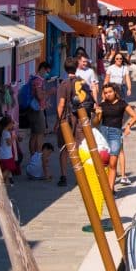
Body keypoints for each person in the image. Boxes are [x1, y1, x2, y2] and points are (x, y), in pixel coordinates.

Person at [55, 56, 101, 187]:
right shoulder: (82, 82)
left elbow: (61, 104)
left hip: (67, 120)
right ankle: (81, 175)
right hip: (81, 119)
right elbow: (91, 99)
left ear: (65, 68)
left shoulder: (64, 84)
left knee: (64, 148)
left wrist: (59, 121)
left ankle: (63, 176)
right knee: (80, 146)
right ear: (76, 68)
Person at [97, 83, 136, 189]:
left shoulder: (122, 103)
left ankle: (110, 190)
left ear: (115, 92)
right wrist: (97, 114)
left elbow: (135, 116)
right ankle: (104, 187)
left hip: (115, 133)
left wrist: (128, 126)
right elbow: (96, 122)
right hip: (103, 133)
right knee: (103, 161)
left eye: (110, 92)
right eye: (105, 93)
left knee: (113, 163)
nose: (108, 94)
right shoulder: (102, 105)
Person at [0, 116, 19, 186]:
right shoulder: (6, 133)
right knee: (8, 169)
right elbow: (9, 143)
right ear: (8, 124)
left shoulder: (4, 131)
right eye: (12, 123)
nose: (13, 125)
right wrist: (13, 138)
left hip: (3, 154)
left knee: (6, 169)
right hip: (6, 155)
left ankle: (6, 182)